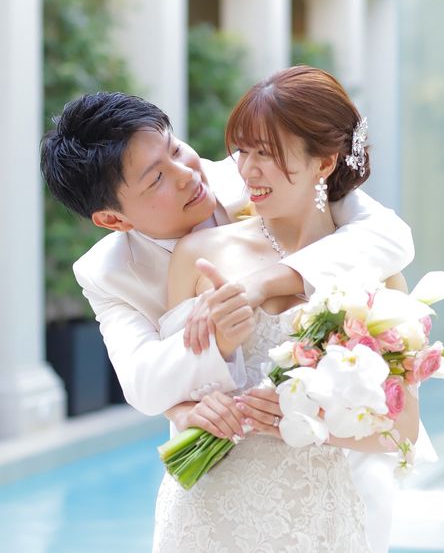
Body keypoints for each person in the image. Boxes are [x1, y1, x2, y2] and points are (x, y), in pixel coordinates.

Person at [40, 86, 416, 552]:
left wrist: (265, 282)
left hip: (338, 473)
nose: (186, 175)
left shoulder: (257, 173)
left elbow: (389, 236)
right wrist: (198, 377)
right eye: (156, 179)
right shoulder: (108, 273)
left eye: (175, 148)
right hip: (221, 487)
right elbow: (143, 381)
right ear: (113, 220)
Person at [152, 66, 420, 552]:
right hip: (206, 514)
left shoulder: (376, 275)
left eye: (268, 154)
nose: (247, 171)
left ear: (324, 163)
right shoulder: (200, 254)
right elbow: (170, 386)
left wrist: (310, 419)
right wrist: (193, 407)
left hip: (316, 519)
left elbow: (400, 433)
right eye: (242, 151)